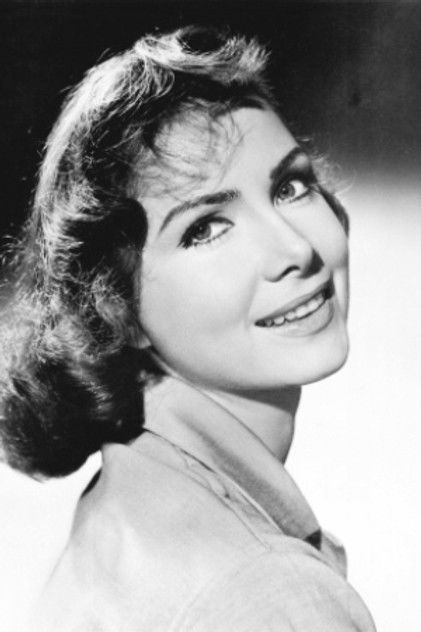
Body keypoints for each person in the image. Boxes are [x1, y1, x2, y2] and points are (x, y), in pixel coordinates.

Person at [0, 26, 375, 631]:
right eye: (205, 228)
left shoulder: (122, 498)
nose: (296, 250)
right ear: (117, 308)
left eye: (290, 187)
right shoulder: (274, 596)